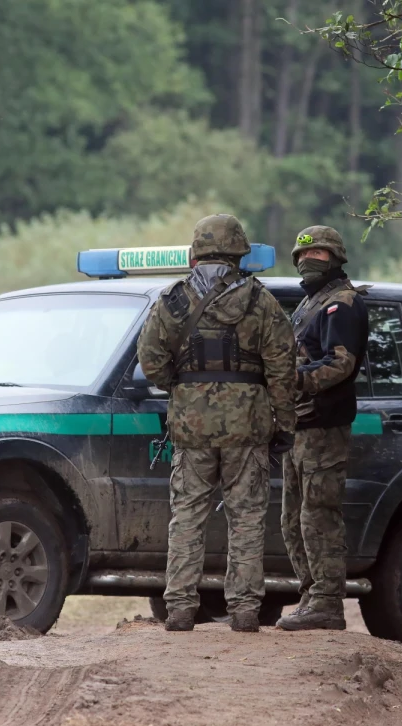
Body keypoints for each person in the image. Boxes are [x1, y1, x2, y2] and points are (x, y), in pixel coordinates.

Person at [136, 214, 296, 633]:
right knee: (245, 516)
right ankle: (244, 610)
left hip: (191, 427)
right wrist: (285, 422)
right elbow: (282, 367)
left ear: (196, 255)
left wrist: (184, 387)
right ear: (238, 253)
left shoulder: (172, 300)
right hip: (247, 425)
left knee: (187, 513)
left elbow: (150, 359)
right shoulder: (260, 301)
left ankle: (180, 610)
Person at [276, 226, 369, 632]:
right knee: (292, 518)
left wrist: (294, 379)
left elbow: (340, 363)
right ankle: (312, 595)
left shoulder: (342, 305)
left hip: (323, 427)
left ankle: (328, 602)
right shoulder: (311, 304)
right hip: (299, 426)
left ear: (335, 258)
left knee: (319, 517)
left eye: (317, 255)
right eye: (302, 255)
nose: (307, 261)